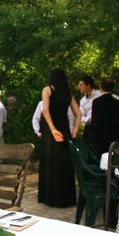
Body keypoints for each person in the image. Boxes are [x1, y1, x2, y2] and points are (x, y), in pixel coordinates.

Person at [38, 69, 81, 207]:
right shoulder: (68, 93)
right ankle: (66, 199)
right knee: (64, 163)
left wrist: (52, 129)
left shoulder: (47, 90)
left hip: (51, 130)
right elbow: (78, 114)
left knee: (50, 161)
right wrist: (74, 132)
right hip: (64, 129)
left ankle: (49, 198)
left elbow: (45, 111)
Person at [90, 77, 119, 156]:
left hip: (100, 141)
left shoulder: (97, 102)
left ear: (100, 87)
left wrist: (92, 140)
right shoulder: (118, 103)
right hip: (114, 139)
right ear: (113, 88)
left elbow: (96, 123)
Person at [78, 76, 101, 145]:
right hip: (90, 127)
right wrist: (88, 119)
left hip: (101, 126)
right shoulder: (82, 101)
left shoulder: (99, 94)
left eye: (81, 85)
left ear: (88, 85)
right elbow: (80, 115)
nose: (79, 87)